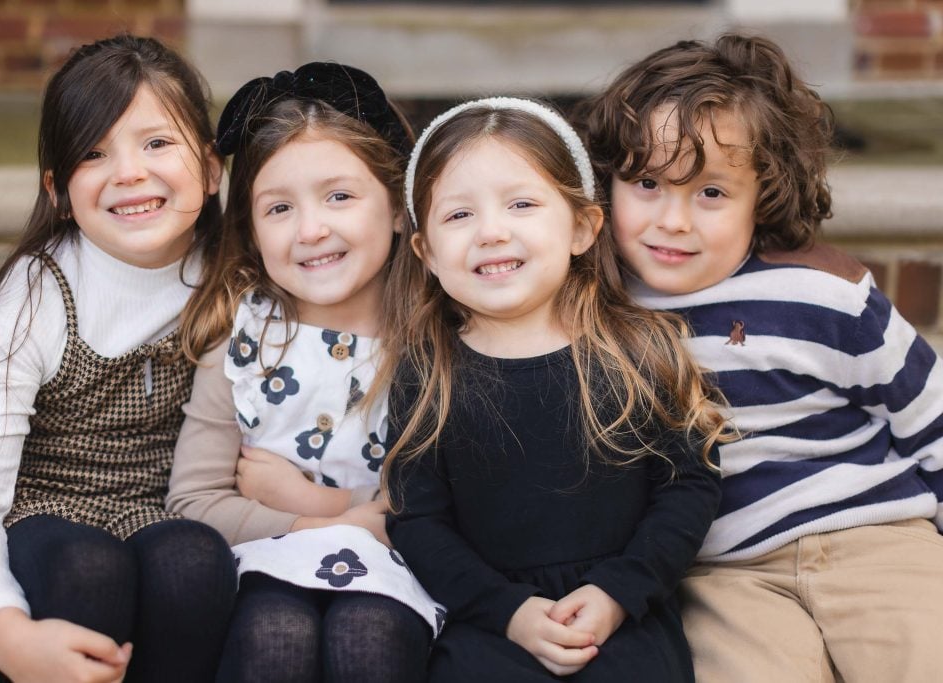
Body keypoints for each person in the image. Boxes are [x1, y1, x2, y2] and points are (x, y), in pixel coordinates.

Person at [576, 33, 943, 683]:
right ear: (608, 182)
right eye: (648, 182)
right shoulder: (597, 313)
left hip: (876, 535)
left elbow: (929, 413)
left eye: (711, 193)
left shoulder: (821, 295)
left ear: (762, 195)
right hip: (724, 569)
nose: (673, 220)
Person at [379, 96, 731, 682]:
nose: (492, 232)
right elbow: (417, 521)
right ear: (427, 253)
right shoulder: (429, 371)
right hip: (489, 619)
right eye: (459, 216)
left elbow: (689, 486)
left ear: (582, 227)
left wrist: (621, 591)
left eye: (521, 204)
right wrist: (506, 611)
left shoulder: (637, 350)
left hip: (623, 610)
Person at [0, 34, 237, 683]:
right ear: (60, 189)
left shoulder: (228, 279)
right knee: (89, 568)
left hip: (162, 514)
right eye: (94, 152)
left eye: (156, 142)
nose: (129, 171)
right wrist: (5, 631)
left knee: (197, 561)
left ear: (211, 170)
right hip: (42, 519)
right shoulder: (40, 290)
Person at [167, 62, 439, 683]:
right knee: (275, 635)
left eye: (339, 196)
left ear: (400, 209)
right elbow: (194, 502)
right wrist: (322, 523)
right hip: (268, 563)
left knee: (366, 637)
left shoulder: (436, 337)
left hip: (401, 577)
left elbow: (461, 497)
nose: (311, 229)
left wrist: (317, 498)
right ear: (251, 229)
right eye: (279, 208)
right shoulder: (243, 342)